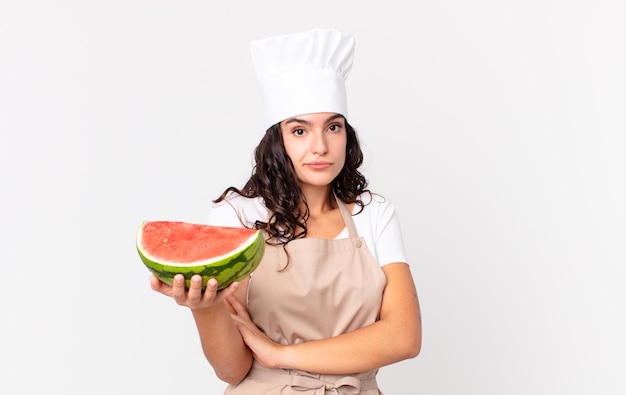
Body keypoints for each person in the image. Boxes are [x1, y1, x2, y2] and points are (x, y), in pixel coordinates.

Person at [149, 28, 422, 394]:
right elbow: (233, 369)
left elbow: (404, 337)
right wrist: (206, 308)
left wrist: (281, 355)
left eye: (333, 127)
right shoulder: (239, 216)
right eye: (299, 131)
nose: (320, 146)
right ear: (276, 140)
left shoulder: (374, 213)